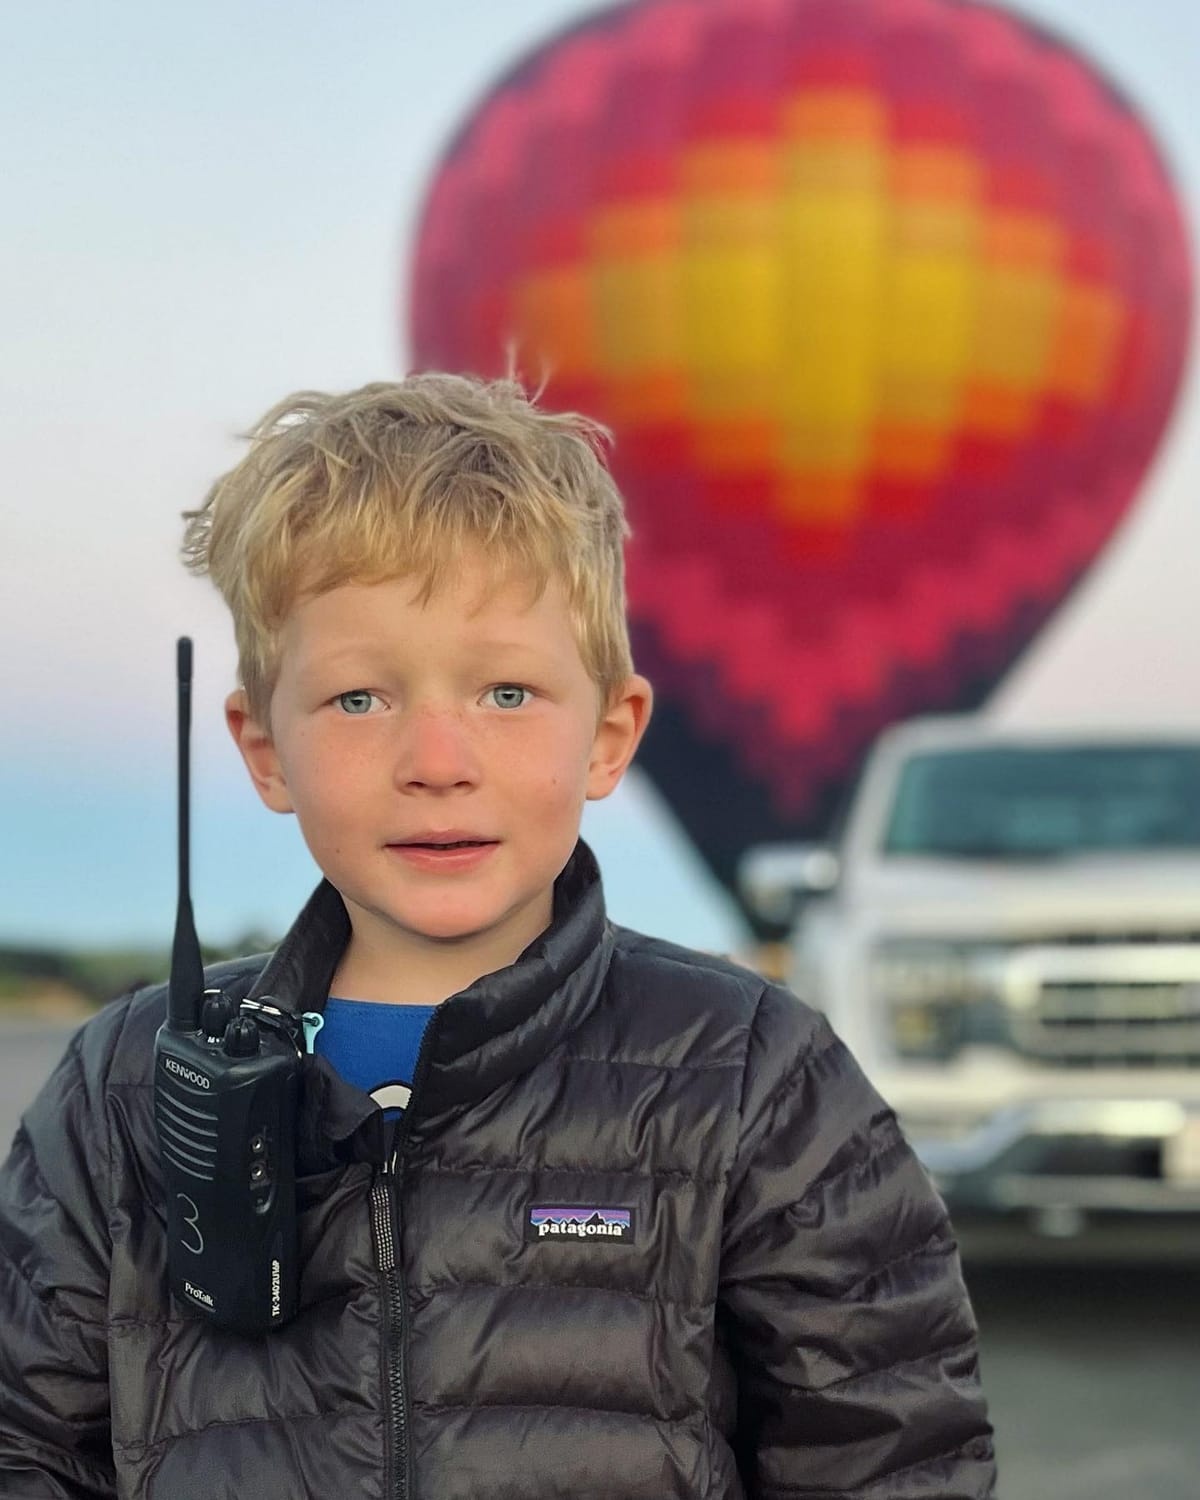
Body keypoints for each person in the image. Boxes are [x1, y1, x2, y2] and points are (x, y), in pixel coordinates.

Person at [0, 374, 996, 1499]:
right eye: (360, 700)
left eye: (508, 695)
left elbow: (893, 1459)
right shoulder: (121, 1088)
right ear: (264, 747)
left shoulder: (754, 1076)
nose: (437, 759)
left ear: (611, 736)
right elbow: (26, 1445)